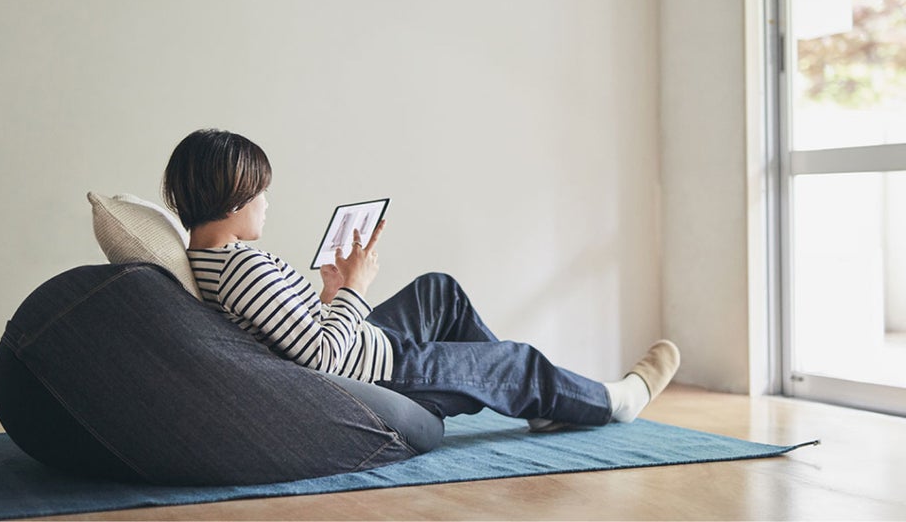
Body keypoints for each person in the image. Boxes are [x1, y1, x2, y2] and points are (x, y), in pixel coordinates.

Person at [162, 128, 680, 431]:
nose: (267, 203)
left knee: (440, 291)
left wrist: (329, 294)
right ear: (233, 196)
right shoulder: (241, 266)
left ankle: (540, 401)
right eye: (260, 193)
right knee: (513, 360)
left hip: (362, 345)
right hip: (380, 370)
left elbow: (291, 335)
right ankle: (615, 402)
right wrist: (353, 290)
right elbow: (319, 358)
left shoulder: (213, 258)